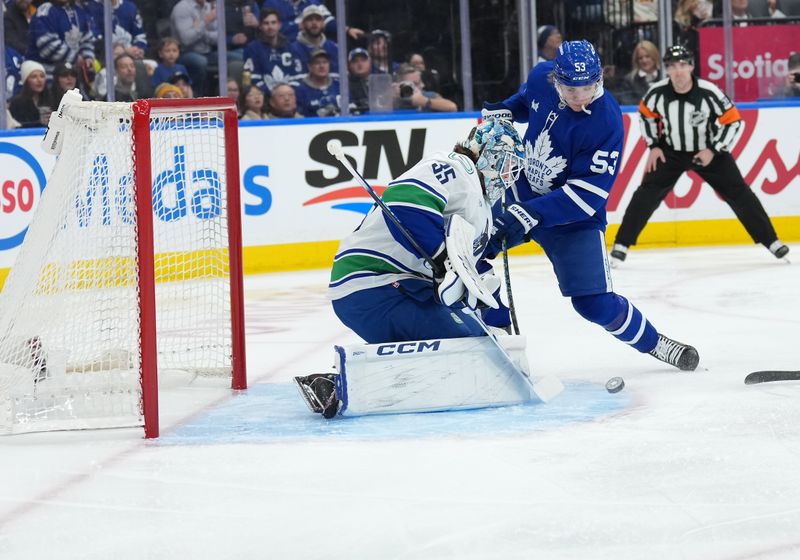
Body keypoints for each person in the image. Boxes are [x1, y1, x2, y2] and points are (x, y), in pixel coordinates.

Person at [481, 40, 700, 372]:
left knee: (593, 304)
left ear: (600, 78)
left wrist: (530, 213)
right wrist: (505, 111)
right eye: (571, 88)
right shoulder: (542, 77)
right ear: (556, 79)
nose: (581, 96)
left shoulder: (607, 120)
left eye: (589, 86)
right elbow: (529, 102)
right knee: (470, 252)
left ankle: (655, 343)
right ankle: (495, 334)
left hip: (573, 222)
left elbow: (587, 196)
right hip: (522, 194)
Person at [298, 119, 527, 417]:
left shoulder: (482, 206)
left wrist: (499, 324)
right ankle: (346, 384)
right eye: (505, 163)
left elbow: (471, 273)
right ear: (486, 153)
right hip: (374, 282)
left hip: (402, 289)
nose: (508, 174)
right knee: (470, 352)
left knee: (478, 349)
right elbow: (407, 207)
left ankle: (342, 381)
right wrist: (444, 260)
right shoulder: (455, 166)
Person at [610, 45, 790, 263]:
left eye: (683, 65)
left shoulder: (708, 92)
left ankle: (771, 241)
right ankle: (621, 245)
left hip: (708, 151)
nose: (678, 71)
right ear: (666, 69)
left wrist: (714, 149)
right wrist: (654, 145)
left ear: (692, 66)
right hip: (671, 152)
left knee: (740, 194)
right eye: (673, 66)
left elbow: (733, 121)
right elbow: (645, 115)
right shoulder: (657, 93)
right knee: (646, 195)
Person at [242, 9, 303, 96]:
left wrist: (287, 93)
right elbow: (252, 78)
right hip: (264, 98)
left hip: (289, 96)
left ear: (279, 25)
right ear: (260, 26)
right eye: (266, 23)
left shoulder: (291, 47)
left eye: (273, 23)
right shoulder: (252, 49)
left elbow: (298, 76)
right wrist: (272, 94)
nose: (270, 27)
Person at [291, 5, 338, 73]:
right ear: (302, 24)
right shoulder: (293, 49)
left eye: (318, 19)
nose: (314, 23)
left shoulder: (333, 47)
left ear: (323, 24)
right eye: (310, 20)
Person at [393, 63, 457, 112]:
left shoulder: (427, 96)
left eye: (420, 82)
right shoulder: (392, 99)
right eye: (414, 84)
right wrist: (391, 96)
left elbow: (452, 107)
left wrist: (425, 101)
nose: (422, 85)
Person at [294, 48, 340, 117]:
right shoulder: (301, 91)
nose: (322, 66)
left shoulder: (338, 86)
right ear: (309, 67)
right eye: (317, 63)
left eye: (325, 62)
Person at [8, 60, 55, 128]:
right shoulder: (17, 103)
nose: (39, 80)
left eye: (42, 76)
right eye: (34, 77)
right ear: (26, 80)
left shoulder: (52, 99)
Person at [347, 47, 371, 114]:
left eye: (363, 60)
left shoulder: (378, 81)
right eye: (355, 61)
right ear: (349, 65)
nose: (360, 64)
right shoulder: (346, 85)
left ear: (370, 62)